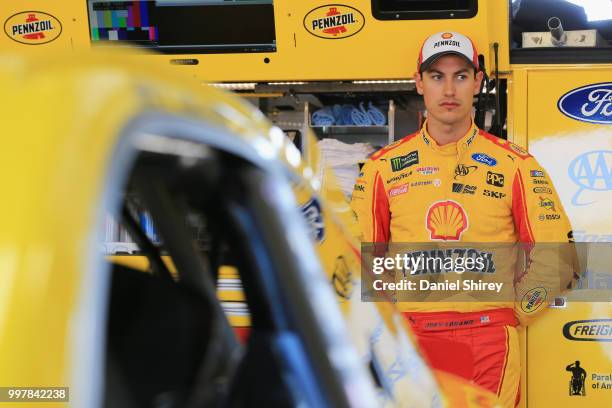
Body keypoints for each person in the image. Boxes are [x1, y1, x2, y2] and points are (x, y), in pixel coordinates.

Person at [351, 31, 577, 407]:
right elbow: (361, 256)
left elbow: (559, 256)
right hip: (411, 338)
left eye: (460, 75)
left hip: (488, 337)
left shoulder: (515, 165)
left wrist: (517, 311)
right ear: (419, 83)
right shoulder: (382, 167)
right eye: (437, 76)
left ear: (478, 82)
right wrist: (392, 320)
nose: (449, 89)